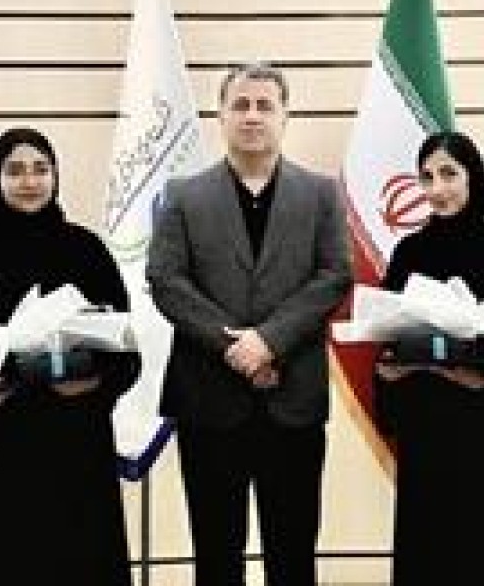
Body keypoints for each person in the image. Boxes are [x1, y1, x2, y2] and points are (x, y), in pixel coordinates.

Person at [147, 63, 350, 586]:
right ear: (221, 115)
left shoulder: (322, 194)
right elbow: (166, 280)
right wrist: (236, 348)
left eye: (265, 105)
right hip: (208, 401)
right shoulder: (182, 195)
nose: (252, 116)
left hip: (293, 402)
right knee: (216, 557)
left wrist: (269, 341)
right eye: (240, 104)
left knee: (293, 556)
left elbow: (334, 276)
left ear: (285, 115)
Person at [0, 127, 137, 585]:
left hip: (75, 449)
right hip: (0, 454)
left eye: (41, 169)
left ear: (55, 177)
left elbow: (127, 350)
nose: (29, 181)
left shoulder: (87, 251)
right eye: (15, 170)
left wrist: (95, 380)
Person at [372, 130, 484, 585]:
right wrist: (389, 372)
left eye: (448, 174)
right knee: (425, 557)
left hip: (483, 435)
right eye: (427, 177)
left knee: (478, 555)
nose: (437, 188)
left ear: (473, 177)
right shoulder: (408, 253)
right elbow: (388, 337)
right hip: (425, 431)